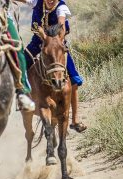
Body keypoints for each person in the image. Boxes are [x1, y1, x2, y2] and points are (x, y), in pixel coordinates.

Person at [17, 0, 87, 132]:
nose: (50, 0)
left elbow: (62, 25)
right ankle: (22, 98)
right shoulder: (36, 2)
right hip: (38, 42)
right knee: (22, 64)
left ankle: (75, 119)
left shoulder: (61, 8)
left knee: (73, 77)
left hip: (57, 44)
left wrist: (57, 40)